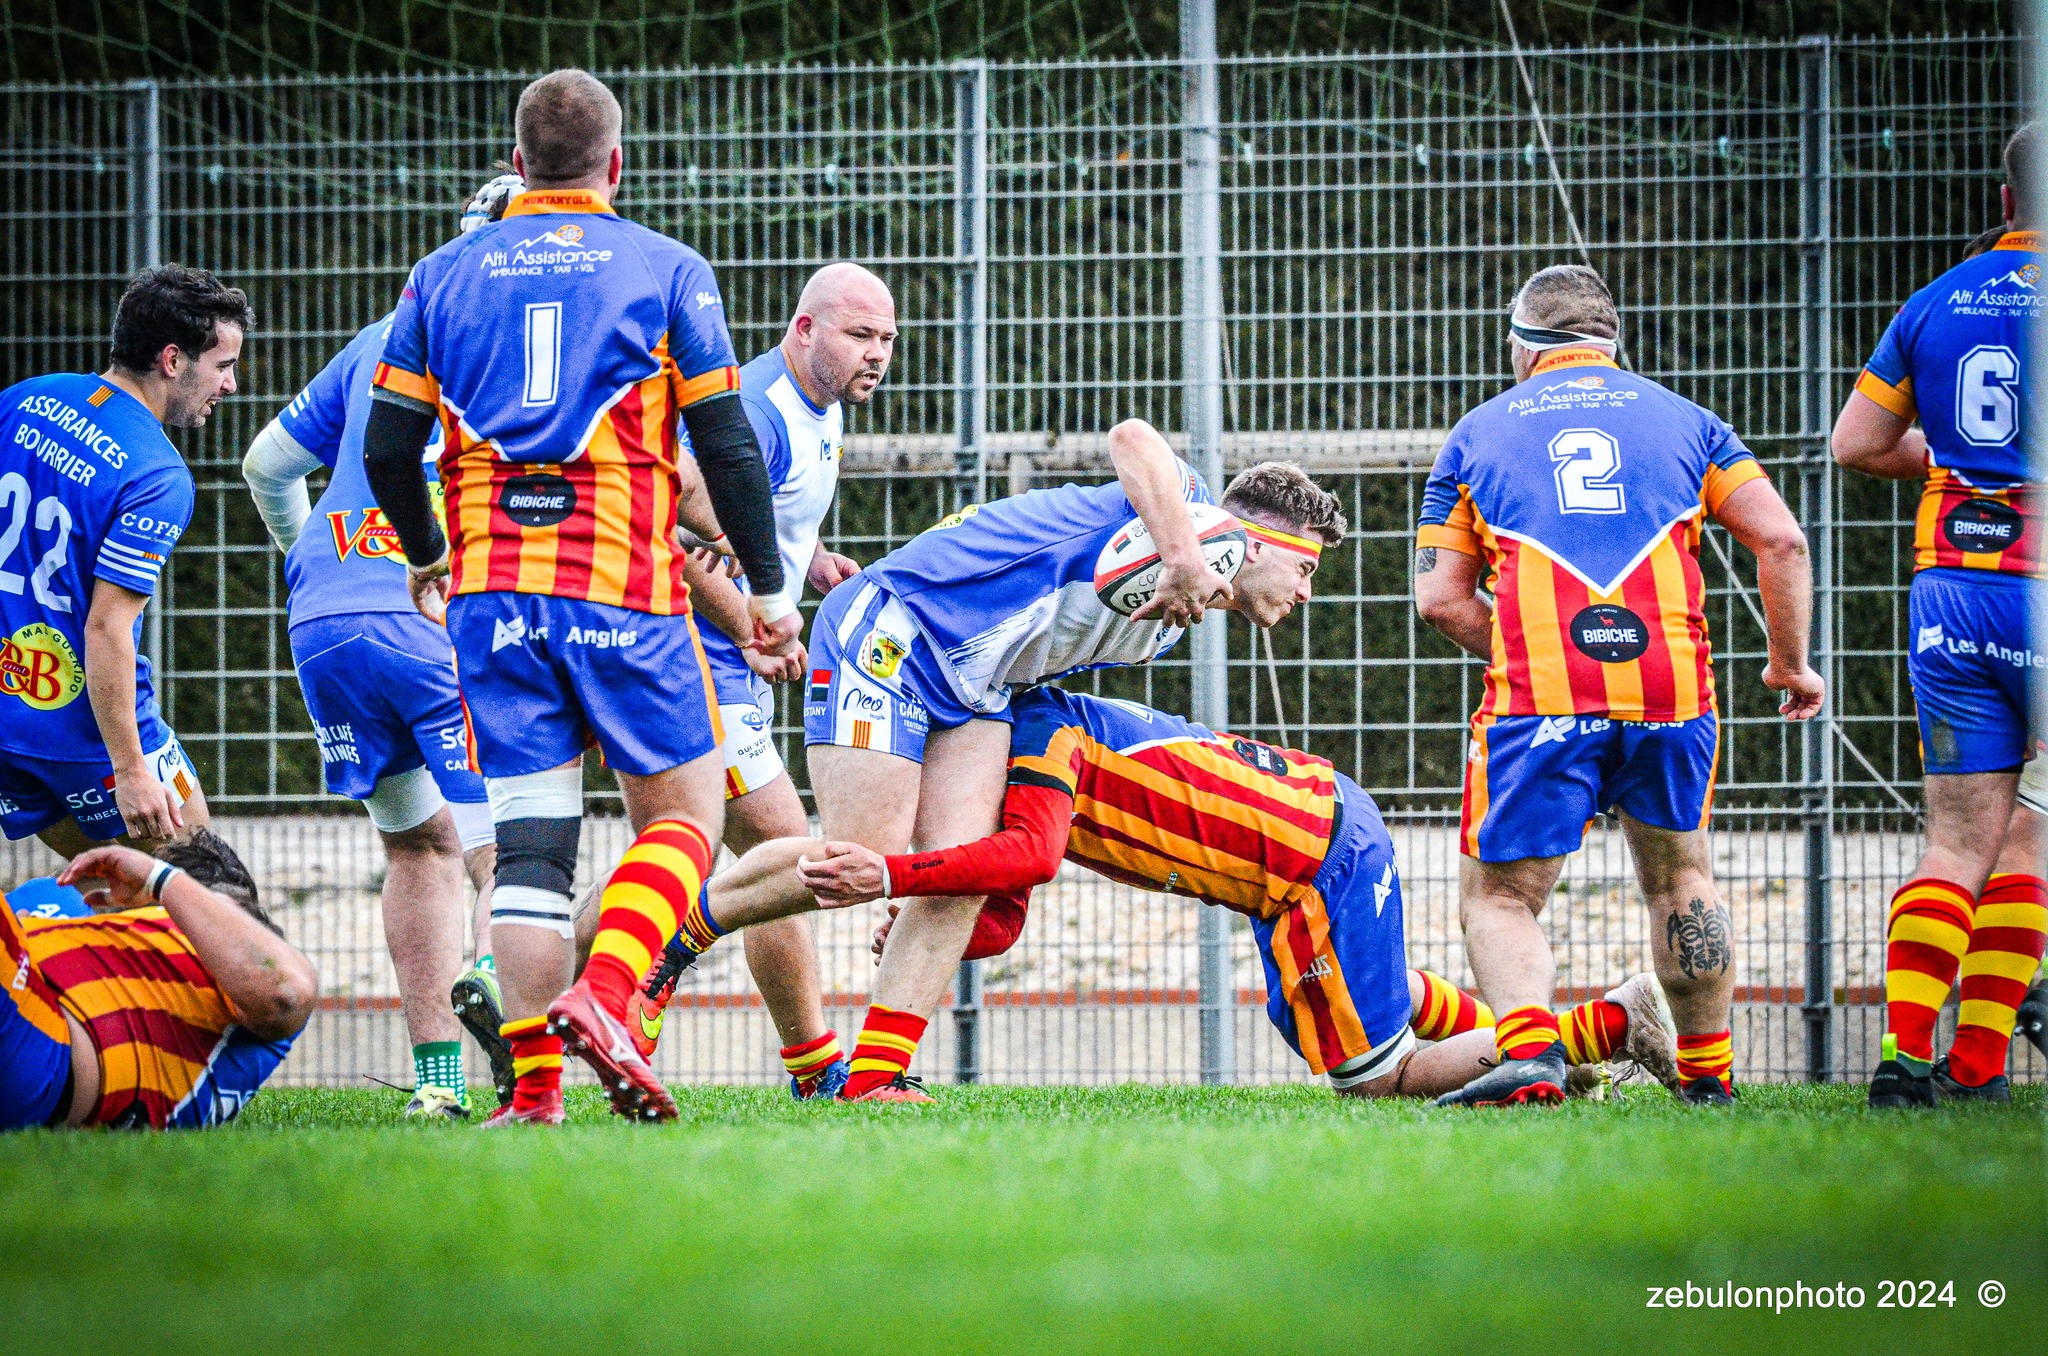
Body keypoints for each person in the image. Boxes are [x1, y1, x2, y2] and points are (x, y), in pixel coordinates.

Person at [362, 69, 797, 1126]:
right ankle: (605, 998)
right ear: (615, 165)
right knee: (688, 819)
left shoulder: (440, 274)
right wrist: (770, 585)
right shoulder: (666, 267)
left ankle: (536, 1094)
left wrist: (428, 551)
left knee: (533, 848)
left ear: (517, 167)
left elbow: (386, 448)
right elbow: (728, 446)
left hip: (491, 600)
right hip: (624, 590)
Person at [667, 451, 1357, 1102]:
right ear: (1260, 544)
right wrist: (1181, 553)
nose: (1306, 591)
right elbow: (1133, 438)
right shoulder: (1191, 510)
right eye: (1307, 568)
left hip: (980, 688)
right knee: (861, 858)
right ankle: (669, 942)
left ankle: (876, 1077)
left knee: (964, 871)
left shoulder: (1173, 621)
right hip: (898, 632)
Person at [796, 685, 1680, 1098]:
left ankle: (1605, 1024)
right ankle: (1563, 1045)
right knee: (1336, 1006)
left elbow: (1025, 856)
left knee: (1375, 1080)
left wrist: (893, 876)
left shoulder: (1035, 732)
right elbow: (1014, 896)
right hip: (1320, 830)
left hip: (1308, 868)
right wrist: (951, 930)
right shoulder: (1039, 730)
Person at [1414, 264, 1823, 1108]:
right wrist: (1789, 663)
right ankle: (1708, 1081)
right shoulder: (1694, 423)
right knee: (1680, 879)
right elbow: (1782, 542)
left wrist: (1530, 640)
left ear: (1521, 349)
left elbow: (1438, 596)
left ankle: (1530, 1059)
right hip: (1671, 688)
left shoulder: (1476, 433)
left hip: (1539, 696)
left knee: (1502, 894)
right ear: (1610, 345)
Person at [237, 177, 520, 1118]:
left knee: (417, 848)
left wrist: (319, 560)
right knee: (502, 850)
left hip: (323, 622)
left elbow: (266, 467)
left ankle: (436, 1089)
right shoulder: (527, 346)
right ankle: (494, 983)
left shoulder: (376, 341)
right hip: (435, 614)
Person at [625, 263, 892, 1100]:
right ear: (804, 329)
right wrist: (749, 624)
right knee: (787, 854)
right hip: (694, 656)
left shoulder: (819, 405)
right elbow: (670, 522)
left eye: (887, 339)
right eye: (860, 335)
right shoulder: (758, 410)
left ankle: (810, 1066)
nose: (877, 354)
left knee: (749, 859)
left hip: (726, 659)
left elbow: (758, 513)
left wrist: (804, 557)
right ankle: (611, 977)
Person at [1832, 124, 2048, 1106]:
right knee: (2030, 841)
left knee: (1956, 841)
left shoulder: (1933, 301)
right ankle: (1977, 1067)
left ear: (2003, 200)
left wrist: (1950, 465)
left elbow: (1853, 441)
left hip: (1952, 587)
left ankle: (1902, 1062)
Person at [0, 266, 250, 857]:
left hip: (10, 726)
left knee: (111, 899)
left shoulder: (22, 400)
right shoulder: (157, 474)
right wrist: (133, 769)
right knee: (210, 894)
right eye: (223, 366)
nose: (232, 386)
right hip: (93, 735)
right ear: (172, 359)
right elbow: (106, 626)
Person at [1, 829, 317, 1130]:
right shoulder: (102, 934)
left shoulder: (230, 971)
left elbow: (286, 992)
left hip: (48, 1050)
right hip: (38, 1043)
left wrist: (160, 878)